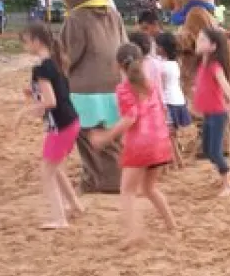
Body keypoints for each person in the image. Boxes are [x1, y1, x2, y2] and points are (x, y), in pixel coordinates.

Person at [92, 43, 178, 241]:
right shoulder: (151, 85)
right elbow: (161, 111)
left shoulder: (123, 89)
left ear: (118, 65)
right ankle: (172, 226)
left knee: (127, 192)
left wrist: (106, 136)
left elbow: (131, 117)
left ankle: (133, 235)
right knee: (150, 189)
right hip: (159, 142)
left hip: (140, 145)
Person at [18, 22, 84, 229]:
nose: (25, 46)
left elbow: (51, 101)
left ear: (37, 41)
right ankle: (75, 206)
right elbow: (55, 93)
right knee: (55, 168)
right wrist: (33, 94)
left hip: (62, 126)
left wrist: (24, 112)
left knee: (47, 173)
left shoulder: (43, 67)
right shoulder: (53, 63)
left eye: (26, 42)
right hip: (70, 122)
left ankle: (59, 219)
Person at [193, 27, 230, 197]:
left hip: (217, 114)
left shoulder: (215, 66)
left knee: (215, 151)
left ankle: (228, 184)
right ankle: (225, 173)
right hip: (208, 114)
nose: (197, 42)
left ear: (213, 46)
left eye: (202, 40)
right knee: (208, 150)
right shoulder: (201, 64)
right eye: (198, 39)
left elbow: (227, 88)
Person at [156, 32, 193, 166]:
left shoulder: (162, 66)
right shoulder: (175, 63)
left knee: (169, 136)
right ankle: (177, 161)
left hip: (168, 102)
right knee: (172, 135)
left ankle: (175, 161)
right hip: (177, 101)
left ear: (163, 48)